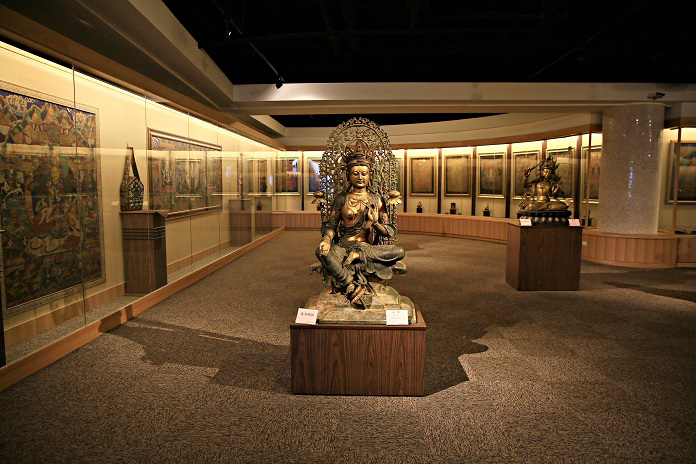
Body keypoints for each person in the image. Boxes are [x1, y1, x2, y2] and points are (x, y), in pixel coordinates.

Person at [315, 143, 404, 306]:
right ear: (348, 176)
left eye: (364, 173)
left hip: (366, 248)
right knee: (321, 252)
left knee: (399, 251)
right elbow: (330, 225)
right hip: (343, 247)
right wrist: (326, 240)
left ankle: (356, 259)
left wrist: (375, 223)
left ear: (370, 175)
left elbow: (389, 230)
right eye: (355, 173)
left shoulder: (376, 199)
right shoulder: (341, 198)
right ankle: (349, 284)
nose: (360, 177)